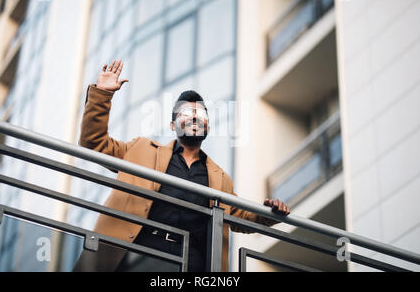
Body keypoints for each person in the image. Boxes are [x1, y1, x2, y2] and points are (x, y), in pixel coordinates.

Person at [73, 60, 290, 272]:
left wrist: (269, 213)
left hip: (191, 264)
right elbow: (94, 144)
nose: (194, 117)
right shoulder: (141, 150)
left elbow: (241, 217)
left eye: (201, 114)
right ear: (172, 124)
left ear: (208, 125)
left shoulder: (219, 178)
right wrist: (102, 94)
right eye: (185, 113)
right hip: (135, 257)